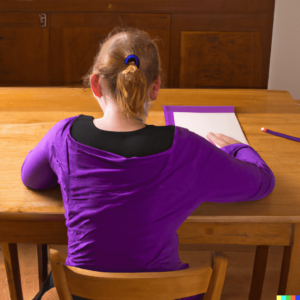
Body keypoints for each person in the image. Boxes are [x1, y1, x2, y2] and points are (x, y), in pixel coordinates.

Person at [22, 27, 275, 300]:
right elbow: (262, 182)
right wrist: (236, 147)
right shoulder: (187, 149)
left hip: (81, 293)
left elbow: (31, 178)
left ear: (95, 84)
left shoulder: (63, 136)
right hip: (162, 294)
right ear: (156, 87)